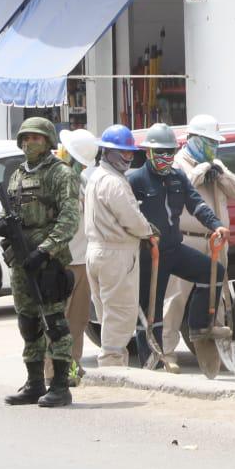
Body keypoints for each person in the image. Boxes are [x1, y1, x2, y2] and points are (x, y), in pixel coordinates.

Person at [129, 122, 230, 371]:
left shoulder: (177, 176)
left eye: (169, 152)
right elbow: (126, 216)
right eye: (159, 153)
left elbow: (196, 204)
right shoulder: (136, 180)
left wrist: (216, 225)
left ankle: (199, 327)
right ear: (148, 152)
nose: (165, 157)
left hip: (174, 249)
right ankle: (151, 364)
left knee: (213, 272)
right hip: (149, 255)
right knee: (151, 312)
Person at [0, 117, 81, 408]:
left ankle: (60, 385)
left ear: (47, 142)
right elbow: (14, 210)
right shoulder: (17, 174)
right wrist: (3, 224)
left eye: (36, 138)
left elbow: (69, 219)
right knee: (28, 322)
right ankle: (34, 383)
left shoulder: (61, 174)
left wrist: (45, 251)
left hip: (49, 263)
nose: (30, 143)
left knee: (54, 323)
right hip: (22, 261)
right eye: (26, 138)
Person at [161, 115, 235, 346]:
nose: (214, 147)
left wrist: (220, 173)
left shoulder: (215, 163)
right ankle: (165, 352)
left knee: (215, 301)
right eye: (209, 142)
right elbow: (180, 187)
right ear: (194, 139)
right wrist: (200, 171)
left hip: (216, 241)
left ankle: (211, 353)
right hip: (188, 241)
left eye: (216, 143)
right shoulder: (177, 164)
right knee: (175, 299)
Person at [84, 125, 157, 368]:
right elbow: (130, 218)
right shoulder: (113, 182)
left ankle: (112, 363)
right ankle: (112, 367)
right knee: (120, 313)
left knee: (107, 313)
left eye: (130, 153)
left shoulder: (96, 177)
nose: (128, 158)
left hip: (96, 251)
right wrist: (148, 231)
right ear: (108, 152)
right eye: (123, 153)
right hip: (115, 254)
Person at [56, 127, 101, 387]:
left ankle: (73, 364)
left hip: (82, 261)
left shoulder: (84, 182)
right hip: (62, 261)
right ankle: (54, 371)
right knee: (58, 320)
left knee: (79, 319)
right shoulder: (56, 182)